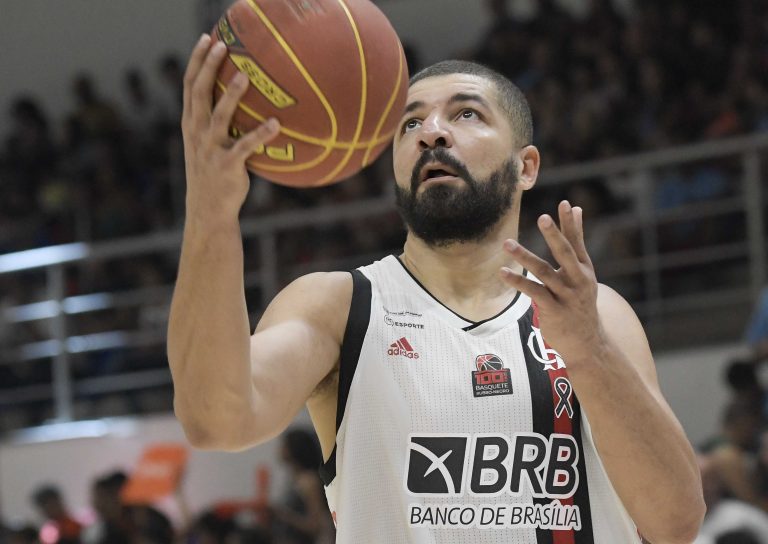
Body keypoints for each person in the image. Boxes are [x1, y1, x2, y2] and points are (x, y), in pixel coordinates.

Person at [168, 34, 705, 542]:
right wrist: (211, 212)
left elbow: (675, 523)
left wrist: (591, 354)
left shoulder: (596, 314)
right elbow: (216, 420)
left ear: (526, 166)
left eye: (466, 114)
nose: (431, 133)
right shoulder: (339, 306)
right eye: (409, 124)